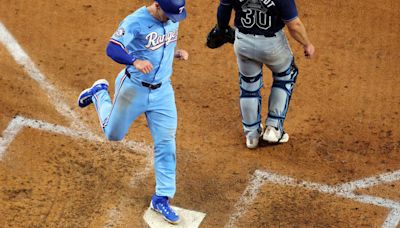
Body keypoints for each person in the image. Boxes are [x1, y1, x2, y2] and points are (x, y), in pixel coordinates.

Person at [77, 0, 188, 224]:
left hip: (163, 92)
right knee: (113, 134)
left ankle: (162, 198)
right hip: (134, 88)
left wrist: (175, 53)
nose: (171, 19)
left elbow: (157, 46)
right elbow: (112, 48)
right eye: (167, 14)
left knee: (166, 143)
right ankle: (99, 93)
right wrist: (133, 60)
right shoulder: (135, 21)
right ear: (156, 5)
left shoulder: (172, 18)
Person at [215, 0, 315, 149]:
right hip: (272, 46)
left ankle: (251, 135)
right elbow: (294, 25)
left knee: (248, 85)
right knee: (285, 75)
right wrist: (307, 44)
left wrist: (222, 28)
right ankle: (273, 128)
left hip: (243, 42)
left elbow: (223, 10)